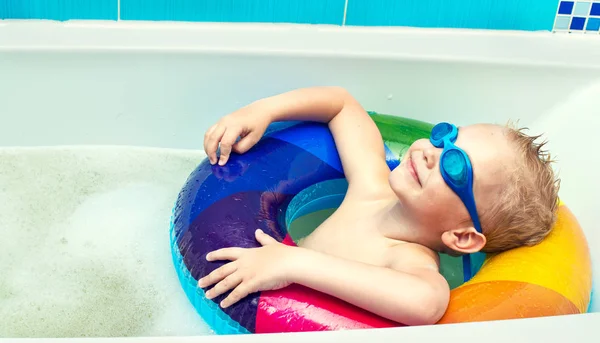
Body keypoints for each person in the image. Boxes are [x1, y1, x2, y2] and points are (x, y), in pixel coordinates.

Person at [197, 86, 559, 326]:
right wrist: (262, 110)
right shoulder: (371, 185)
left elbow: (427, 303)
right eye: (445, 135)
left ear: (463, 237)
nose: (431, 153)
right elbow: (341, 104)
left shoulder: (407, 261)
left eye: (455, 167)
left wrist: (294, 262)